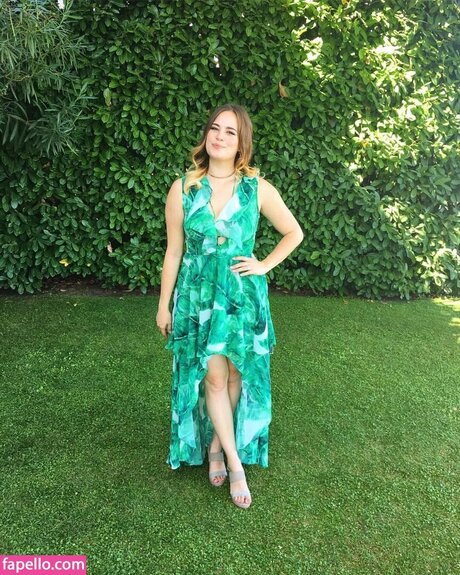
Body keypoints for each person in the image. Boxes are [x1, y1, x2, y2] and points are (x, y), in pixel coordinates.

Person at [156, 103, 304, 509]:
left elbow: (293, 232)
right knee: (215, 378)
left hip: (241, 296)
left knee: (236, 374)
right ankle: (236, 465)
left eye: (230, 132)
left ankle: (217, 447)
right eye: (215, 129)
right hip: (198, 298)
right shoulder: (183, 188)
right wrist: (164, 305)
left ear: (242, 144)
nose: (220, 137)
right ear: (206, 135)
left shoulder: (257, 189)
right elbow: (173, 252)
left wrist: (263, 265)